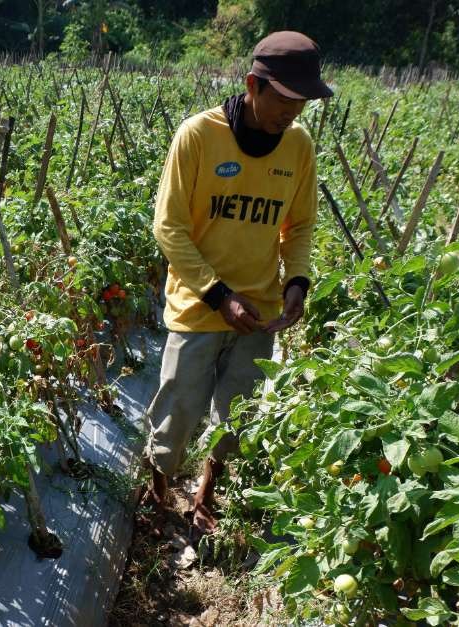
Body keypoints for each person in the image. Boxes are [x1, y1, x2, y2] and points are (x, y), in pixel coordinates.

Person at [143, 31, 332, 534]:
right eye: (284, 102)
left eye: (302, 105)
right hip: (197, 306)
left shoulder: (298, 146)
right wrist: (218, 295)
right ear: (253, 84)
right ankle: (158, 486)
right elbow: (169, 227)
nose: (290, 116)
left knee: (237, 415)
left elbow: (300, 225)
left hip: (260, 312)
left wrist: (297, 280)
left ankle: (205, 493)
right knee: (179, 410)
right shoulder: (199, 136)